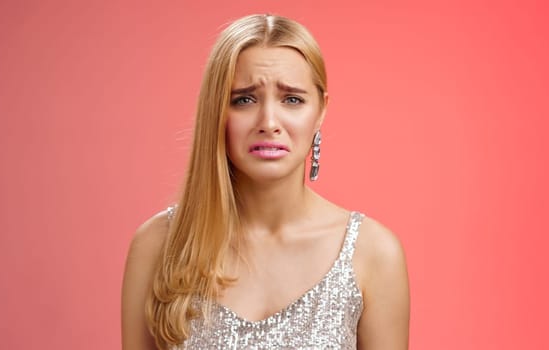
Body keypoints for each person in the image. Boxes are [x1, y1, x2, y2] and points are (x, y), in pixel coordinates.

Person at [121, 13, 410, 349]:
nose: (269, 122)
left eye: (292, 99)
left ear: (320, 112)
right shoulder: (159, 245)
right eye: (244, 99)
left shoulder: (373, 253)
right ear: (217, 111)